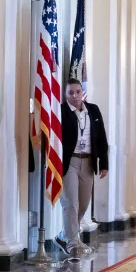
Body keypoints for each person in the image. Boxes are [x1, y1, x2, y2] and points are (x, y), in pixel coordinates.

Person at [59, 79, 110, 255]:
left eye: (77, 92)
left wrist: (104, 164)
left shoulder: (93, 110)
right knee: (70, 203)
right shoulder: (61, 111)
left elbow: (101, 138)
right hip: (69, 162)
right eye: (70, 93)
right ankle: (73, 243)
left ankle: (64, 235)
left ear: (83, 92)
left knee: (83, 204)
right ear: (65, 95)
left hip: (88, 161)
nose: (74, 96)